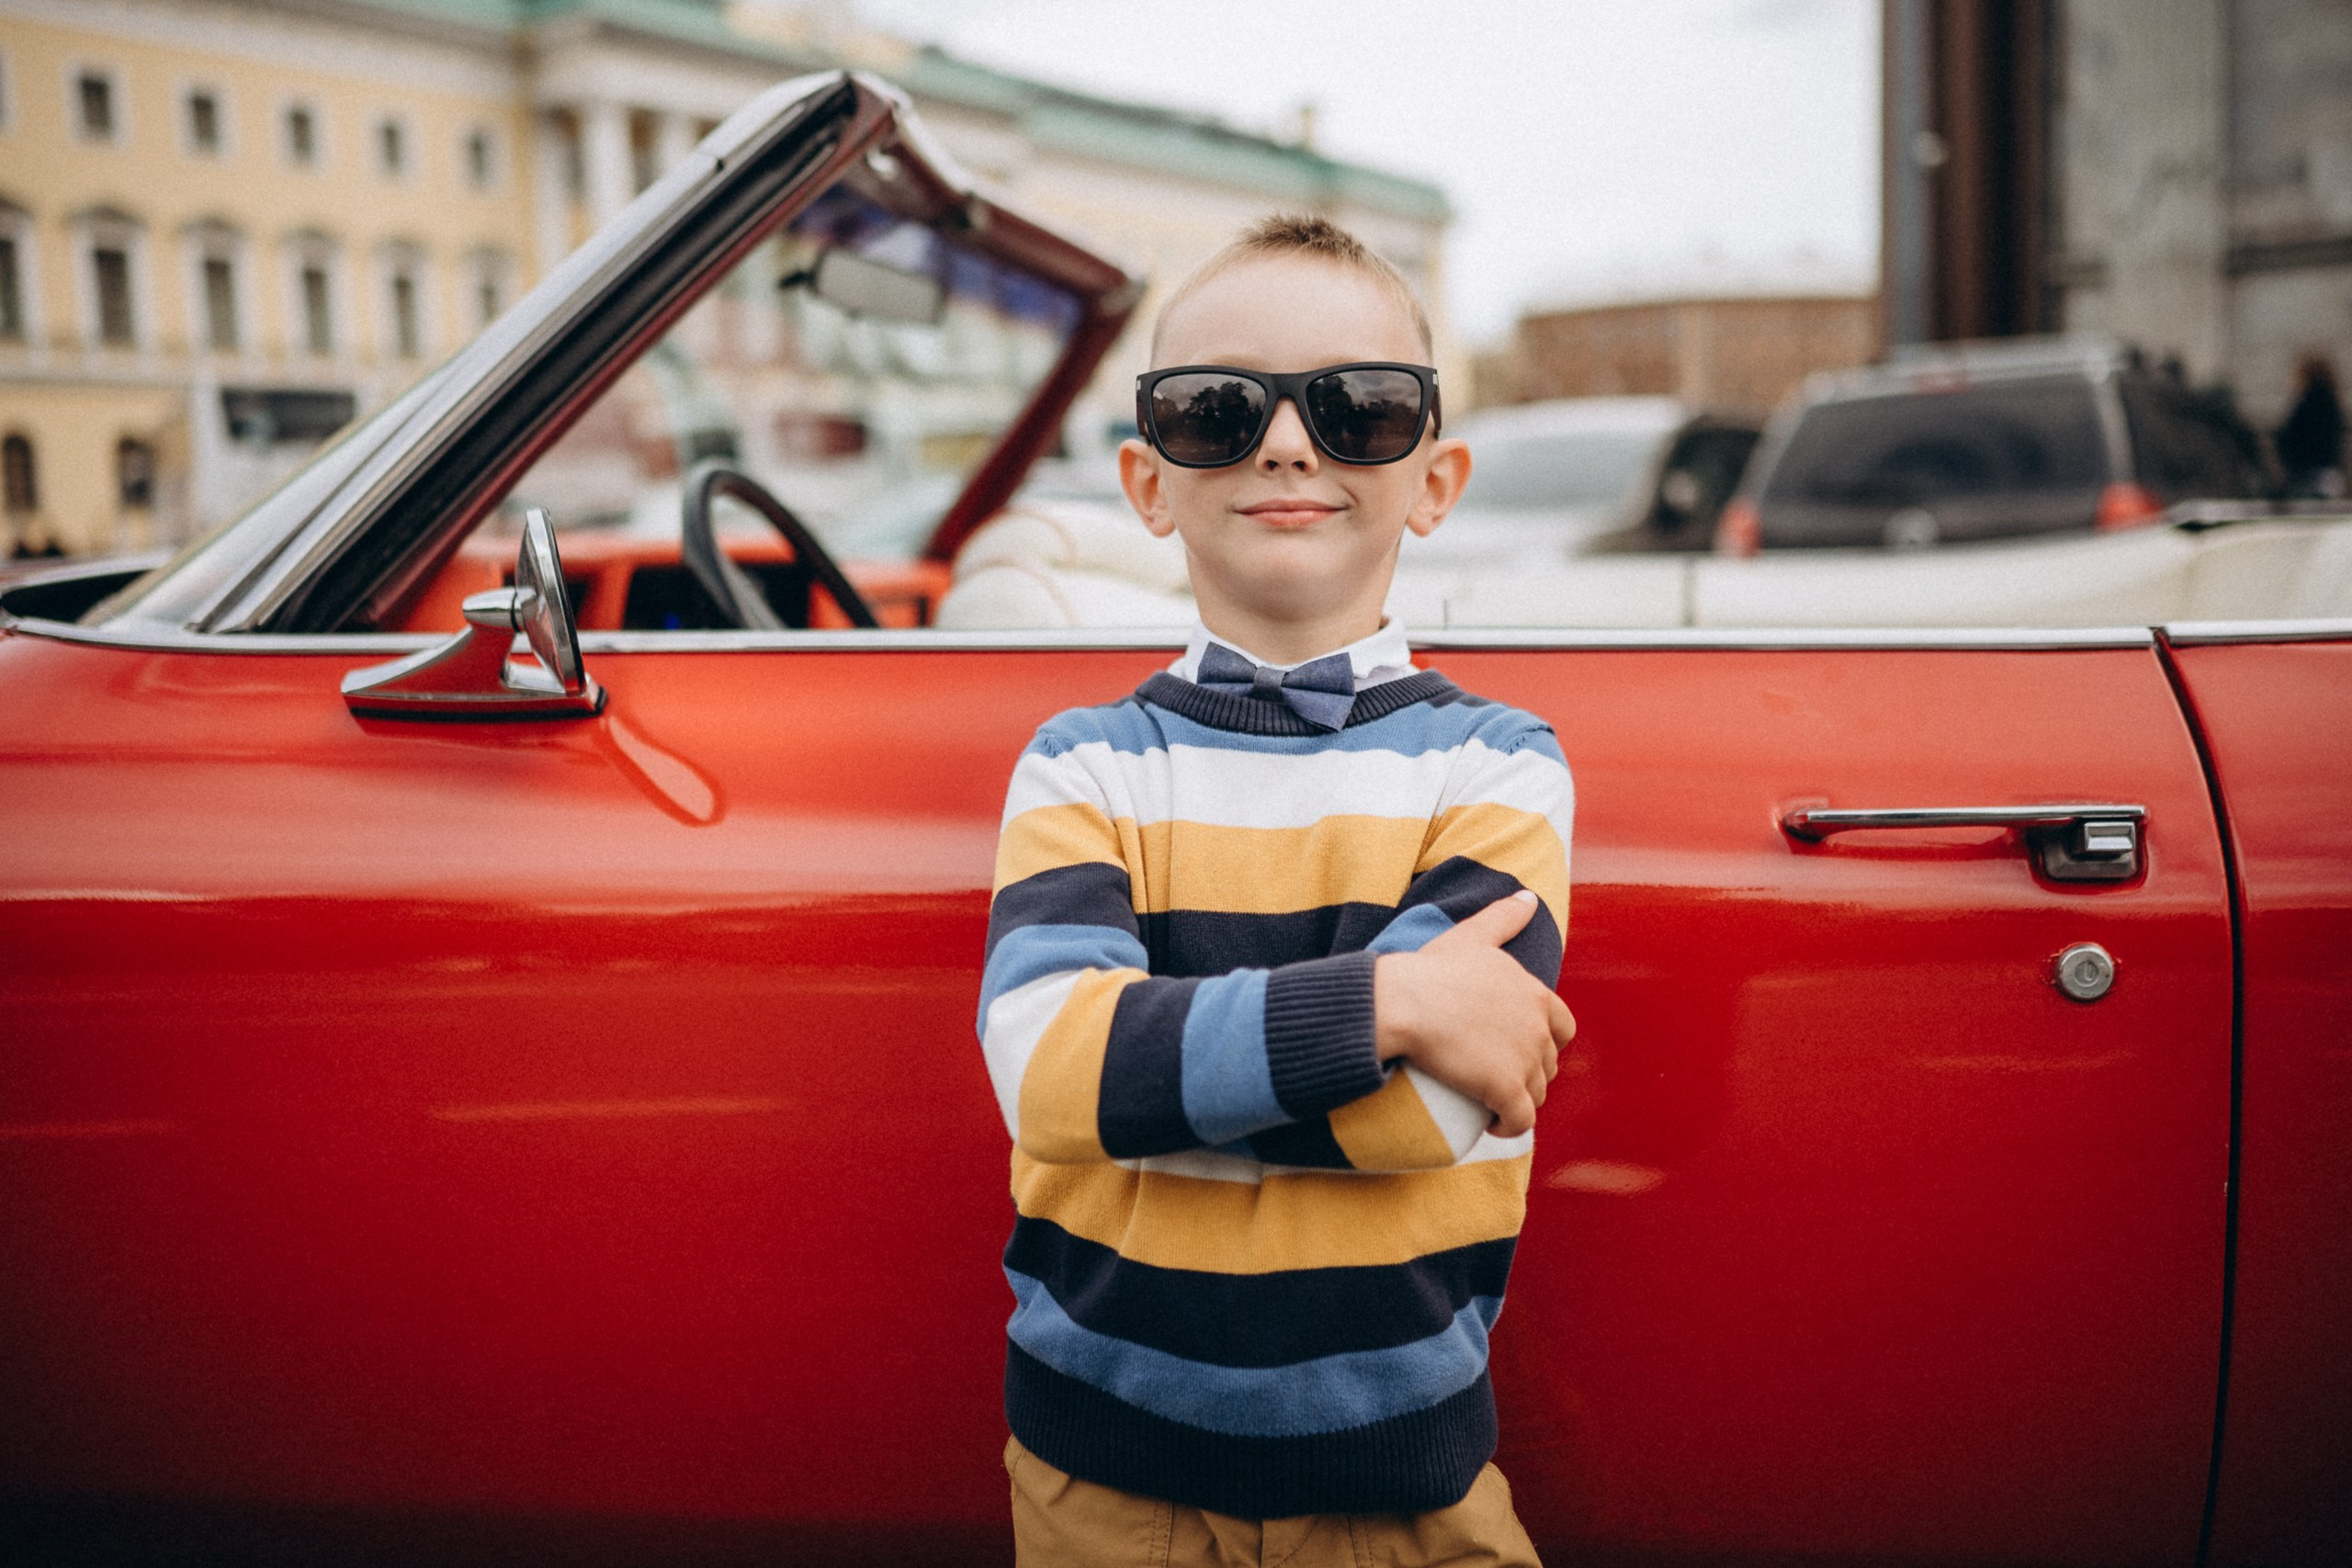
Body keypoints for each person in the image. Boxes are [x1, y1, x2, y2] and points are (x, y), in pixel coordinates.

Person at [977, 214, 1576, 1567]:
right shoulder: (1082, 761)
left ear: (1434, 477)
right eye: (1218, 408)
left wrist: (1148, 1088)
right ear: (1147, 481)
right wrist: (1395, 999)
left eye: (1361, 406)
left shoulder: (1500, 762)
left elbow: (1430, 1111)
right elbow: (1048, 1080)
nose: (1289, 443)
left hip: (1405, 1480)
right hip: (1101, 1477)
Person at [2275, 354, 2346, 499]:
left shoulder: (2306, 404)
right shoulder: (2332, 403)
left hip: (2308, 478)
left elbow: (2291, 438)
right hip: (2330, 477)